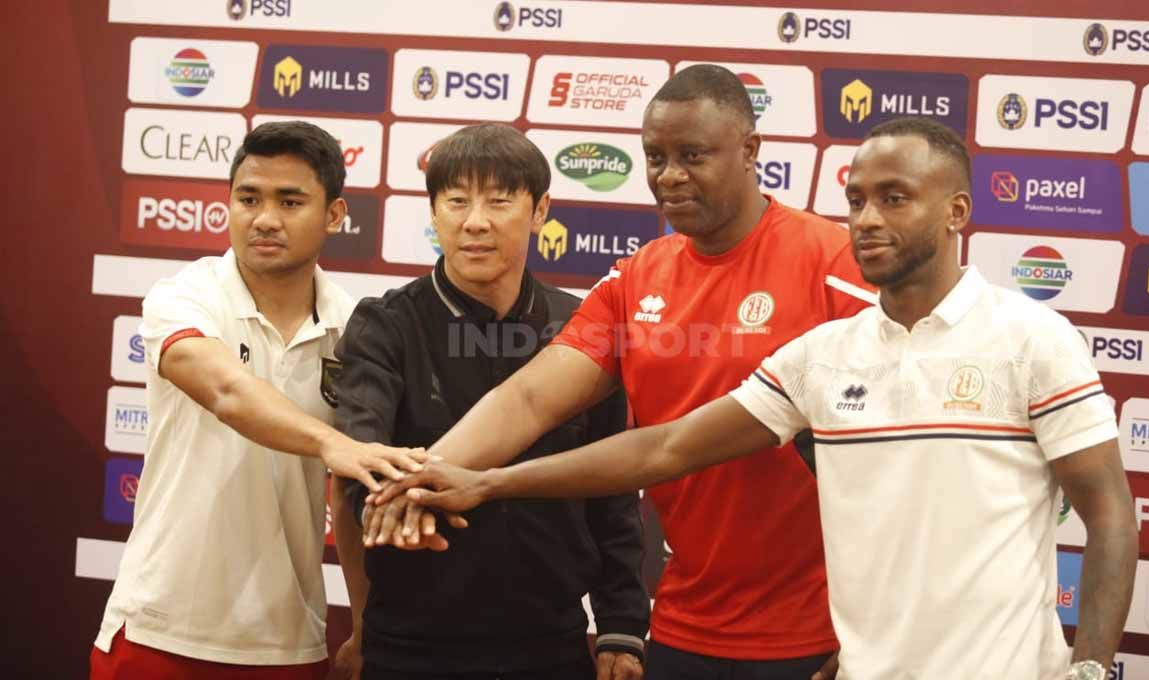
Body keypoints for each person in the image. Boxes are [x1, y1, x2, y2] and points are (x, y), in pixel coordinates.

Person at [397, 117, 1140, 680]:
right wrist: (480, 480)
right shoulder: (820, 357)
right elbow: (662, 447)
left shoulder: (1032, 337)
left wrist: (1094, 667)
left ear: (956, 212)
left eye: (896, 198)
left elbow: (1108, 513)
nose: (869, 219)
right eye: (857, 200)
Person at [366, 65, 875, 679]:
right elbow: (528, 398)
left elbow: (911, 468)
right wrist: (421, 481)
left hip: (817, 634)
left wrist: (873, 630)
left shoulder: (837, 266)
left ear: (750, 151)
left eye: (693, 155)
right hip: (685, 626)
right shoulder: (634, 280)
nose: (670, 175)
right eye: (655, 156)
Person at [90, 121, 425, 680]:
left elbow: (351, 497)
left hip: (287, 642)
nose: (265, 218)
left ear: (335, 215)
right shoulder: (184, 296)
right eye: (249, 198)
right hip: (158, 629)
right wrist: (330, 442)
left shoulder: (354, 328)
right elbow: (224, 391)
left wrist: (366, 628)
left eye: (290, 201)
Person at [329, 123, 649, 680]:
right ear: (434, 213)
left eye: (499, 201)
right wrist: (387, 507)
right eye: (455, 201)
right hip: (408, 644)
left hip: (550, 645)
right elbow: (361, 456)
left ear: (540, 208)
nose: (475, 221)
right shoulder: (386, 324)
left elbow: (611, 489)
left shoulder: (581, 326)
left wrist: (621, 625)